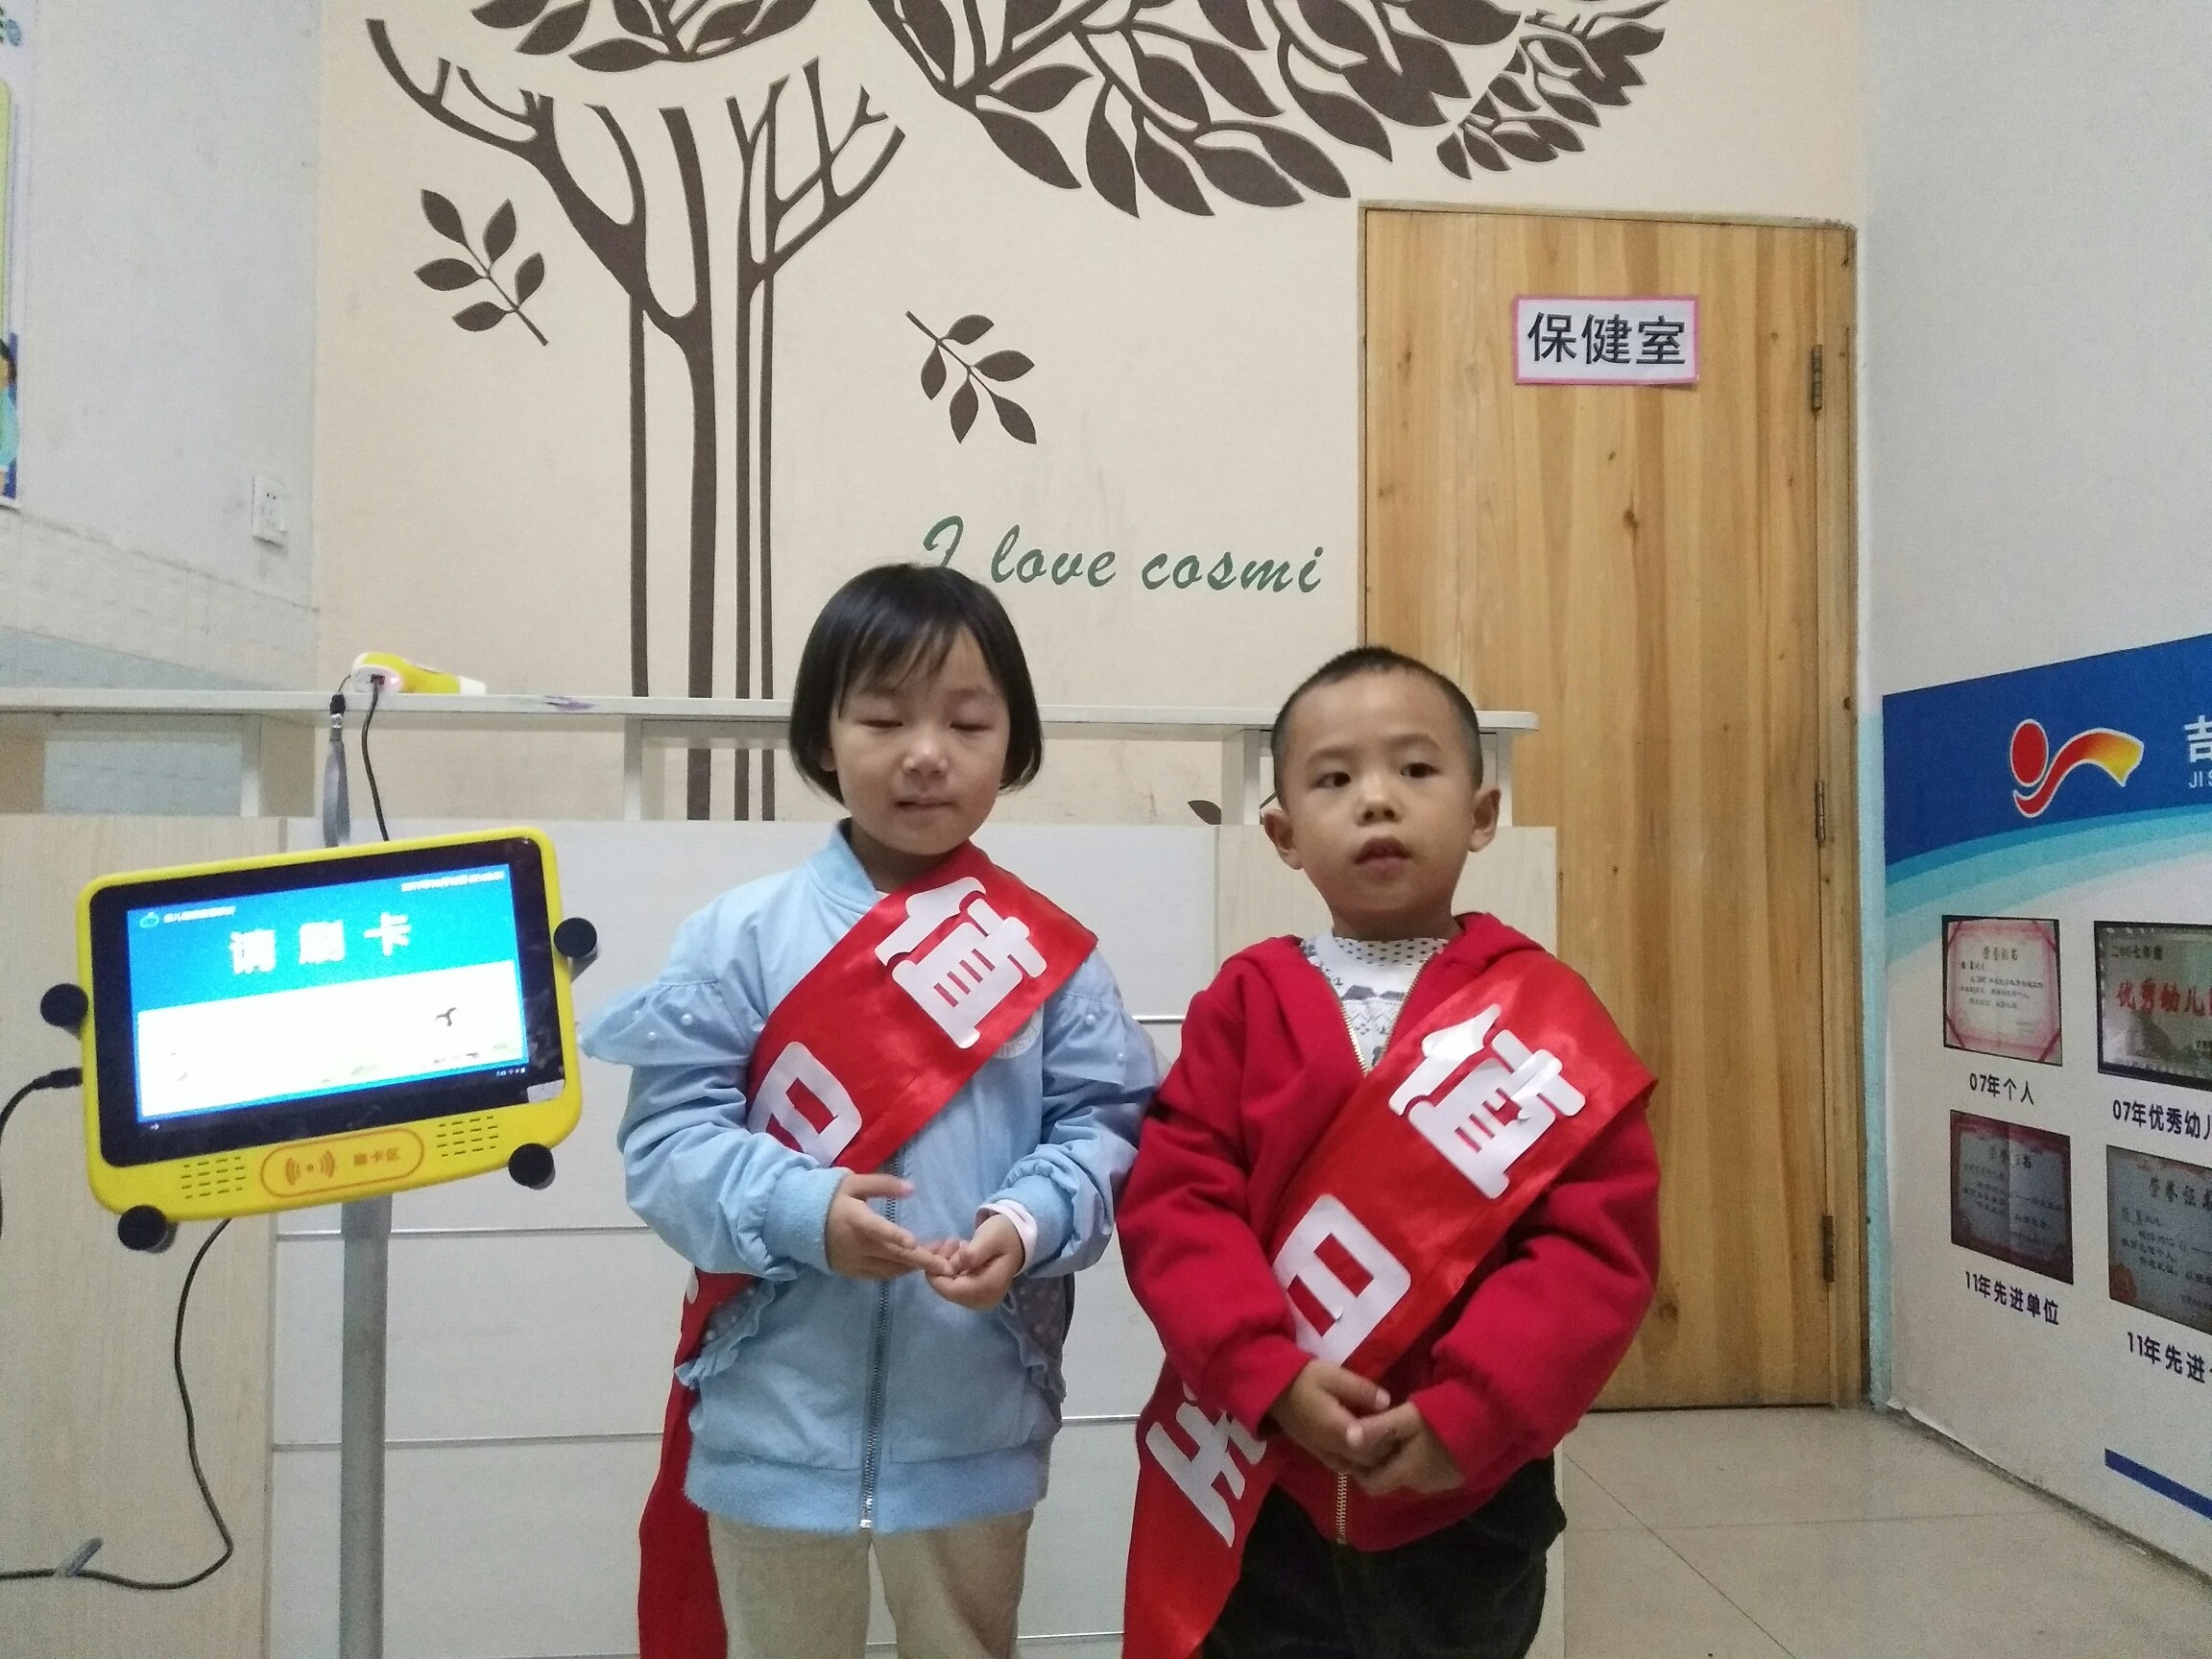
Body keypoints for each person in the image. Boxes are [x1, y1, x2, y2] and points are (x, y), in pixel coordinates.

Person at [583, 564, 1157, 1659]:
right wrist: (803, 1212)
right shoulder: (739, 936)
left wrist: (1026, 1223)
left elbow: (1106, 1131)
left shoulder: (1048, 954)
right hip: (767, 1419)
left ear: (1013, 744)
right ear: (823, 735)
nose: (925, 753)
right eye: (884, 718)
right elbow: (668, 1144)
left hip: (975, 1416)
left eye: (967, 722)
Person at [1117, 645, 1661, 1659]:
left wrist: (1474, 1412)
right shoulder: (1247, 1001)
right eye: (1334, 779)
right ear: (1283, 834)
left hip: (1467, 1495)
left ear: (1482, 813)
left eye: (1415, 769)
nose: (1377, 799)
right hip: (1264, 1476)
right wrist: (1263, 1370)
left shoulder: (1545, 1017)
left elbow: (1591, 1253)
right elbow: (1178, 1203)